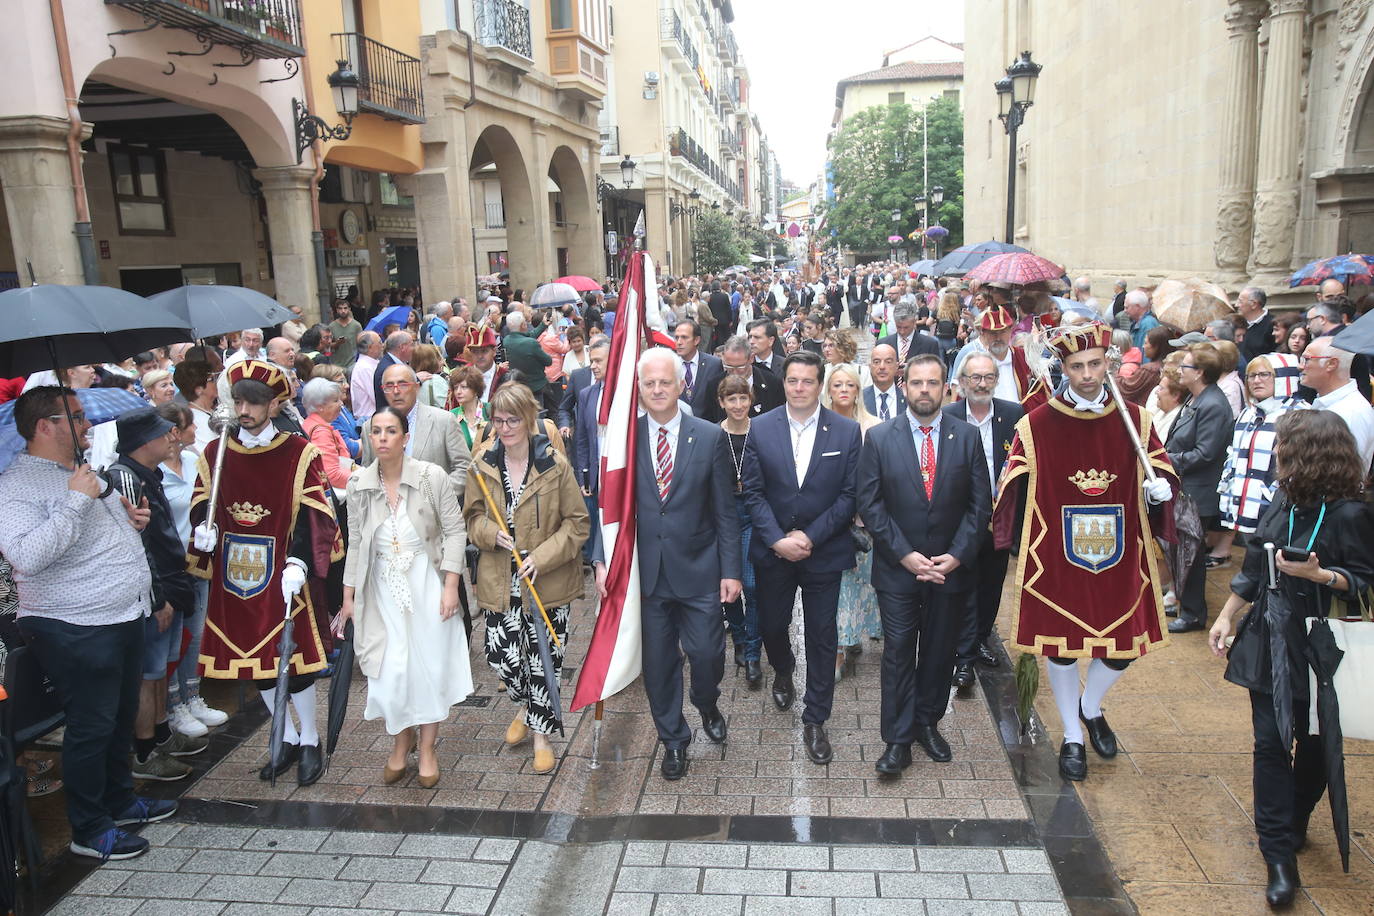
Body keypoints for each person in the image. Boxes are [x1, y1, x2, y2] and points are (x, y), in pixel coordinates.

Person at [993, 323, 1178, 781]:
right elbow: (1011, 475)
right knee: (1062, 647)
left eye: (1095, 364)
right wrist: (1006, 522)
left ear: (1108, 363)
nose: (1088, 374)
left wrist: (1160, 487)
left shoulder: (1136, 420)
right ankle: (1073, 735)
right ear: (1065, 368)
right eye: (1077, 366)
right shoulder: (1036, 424)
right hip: (1058, 553)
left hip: (1122, 552)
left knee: (1122, 647)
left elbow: (1162, 467)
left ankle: (1090, 705)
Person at [0, 387, 175, 861]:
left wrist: (127, 519)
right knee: (91, 725)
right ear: (44, 426)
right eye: (75, 418)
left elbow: (94, 532)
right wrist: (77, 501)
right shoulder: (17, 485)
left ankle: (119, 801)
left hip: (119, 613)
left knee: (118, 719)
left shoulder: (78, 473)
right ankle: (88, 827)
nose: (85, 426)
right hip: (73, 622)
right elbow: (27, 556)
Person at [1207, 410, 1374, 908]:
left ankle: (1296, 818)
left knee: (1318, 742)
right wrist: (1228, 614)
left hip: (1323, 640)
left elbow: (1363, 578)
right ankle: (1278, 855)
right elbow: (1257, 559)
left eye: (1284, 445)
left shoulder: (1351, 512)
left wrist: (1325, 577)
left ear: (1308, 452)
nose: (1276, 453)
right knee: (1271, 742)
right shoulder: (1282, 496)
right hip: (1271, 633)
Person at [187, 360, 342, 787]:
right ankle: (286, 738)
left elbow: (316, 514)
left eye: (253, 402)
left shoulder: (298, 451)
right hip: (235, 576)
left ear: (275, 405)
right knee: (255, 664)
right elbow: (205, 503)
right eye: (238, 401)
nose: (244, 410)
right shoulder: (216, 452)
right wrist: (204, 530)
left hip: (283, 573)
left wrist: (299, 562)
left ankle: (310, 738)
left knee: (296, 661)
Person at [594, 349, 739, 780]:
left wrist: (730, 571)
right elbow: (605, 506)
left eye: (665, 382)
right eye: (649, 383)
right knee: (658, 666)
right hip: (647, 575)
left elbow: (726, 513)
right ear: (639, 390)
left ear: (681, 386)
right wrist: (601, 559)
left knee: (707, 654)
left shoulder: (710, 437)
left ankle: (707, 701)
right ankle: (674, 740)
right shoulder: (623, 441)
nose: (657, 390)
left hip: (699, 570)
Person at [856, 353, 990, 771]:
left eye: (933, 383)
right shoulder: (880, 438)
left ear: (947, 387)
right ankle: (896, 739)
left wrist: (957, 555)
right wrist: (905, 554)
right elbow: (870, 503)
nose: (925, 390)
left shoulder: (966, 437)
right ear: (904, 387)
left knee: (938, 650)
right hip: (899, 570)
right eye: (917, 383)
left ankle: (928, 722)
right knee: (898, 651)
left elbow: (979, 504)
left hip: (949, 570)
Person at [338, 406, 473, 787]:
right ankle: (401, 740)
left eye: (390, 431)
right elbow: (356, 544)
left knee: (427, 667)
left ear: (405, 437)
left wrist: (450, 586)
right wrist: (349, 597)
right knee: (392, 670)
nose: (382, 438)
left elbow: (454, 531)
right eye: (375, 431)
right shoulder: (358, 486)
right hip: (381, 587)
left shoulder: (432, 477)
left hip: (427, 582)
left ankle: (427, 747)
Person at [742, 350, 862, 765]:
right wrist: (777, 540)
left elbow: (850, 496)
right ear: (784, 382)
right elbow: (753, 493)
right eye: (792, 380)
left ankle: (815, 717)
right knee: (773, 625)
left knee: (822, 635)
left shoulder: (846, 433)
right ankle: (782, 667)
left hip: (823, 551)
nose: (798, 388)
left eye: (807, 381)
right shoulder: (760, 428)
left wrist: (809, 535)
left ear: (820, 384)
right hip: (773, 552)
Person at [465, 384, 588, 775]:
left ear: (529, 417)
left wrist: (542, 556)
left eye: (513, 419)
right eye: (498, 420)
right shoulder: (481, 463)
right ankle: (524, 706)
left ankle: (541, 736)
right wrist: (488, 532)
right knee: (502, 658)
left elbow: (578, 523)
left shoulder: (554, 465)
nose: (505, 428)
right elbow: (471, 518)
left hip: (546, 581)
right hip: (500, 579)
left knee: (542, 660)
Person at [107, 408, 209, 783]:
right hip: (155, 592)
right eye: (161, 432)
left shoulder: (147, 474)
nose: (170, 436)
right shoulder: (124, 478)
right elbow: (138, 543)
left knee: (160, 670)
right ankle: (146, 751)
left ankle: (161, 732)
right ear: (142, 442)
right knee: (148, 674)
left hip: (169, 583)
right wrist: (158, 596)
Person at [944, 353, 1023, 686]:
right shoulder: (947, 417)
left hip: (998, 520)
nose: (981, 384)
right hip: (960, 521)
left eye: (988, 377)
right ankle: (962, 656)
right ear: (962, 382)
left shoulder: (1013, 414)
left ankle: (977, 640)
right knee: (963, 584)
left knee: (991, 586)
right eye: (974, 377)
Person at [1165, 343, 1236, 633]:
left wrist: (1165, 458)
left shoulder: (1213, 405)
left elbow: (1205, 453)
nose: (1180, 370)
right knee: (1182, 550)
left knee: (1191, 555)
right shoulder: (1196, 399)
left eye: (1187, 366)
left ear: (1201, 373)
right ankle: (1185, 603)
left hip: (1198, 491)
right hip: (1185, 488)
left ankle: (1194, 614)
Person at [824, 363, 881, 679]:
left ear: (858, 390)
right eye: (837, 385)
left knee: (861, 584)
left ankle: (851, 637)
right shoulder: (822, 425)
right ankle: (838, 648)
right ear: (829, 390)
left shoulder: (873, 427)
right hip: (830, 520)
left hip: (864, 521)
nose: (843, 390)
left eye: (850, 384)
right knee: (840, 585)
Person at [1218, 353, 1307, 542]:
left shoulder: (1300, 414)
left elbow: (1300, 466)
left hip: (1277, 510)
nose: (1256, 380)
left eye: (1265, 374)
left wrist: (1275, 497)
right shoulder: (1247, 413)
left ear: (1284, 378)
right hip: (1242, 503)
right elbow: (1233, 456)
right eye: (1251, 375)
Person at [360, 364, 472, 499]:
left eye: (403, 385)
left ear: (417, 388)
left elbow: (464, 468)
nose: (396, 391)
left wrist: (436, 498)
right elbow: (368, 474)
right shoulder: (370, 428)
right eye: (389, 386)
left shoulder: (443, 421)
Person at [716, 374, 762, 689]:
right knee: (728, 585)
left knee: (753, 584)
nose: (738, 405)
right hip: (724, 514)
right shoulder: (713, 435)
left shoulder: (761, 431)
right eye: (731, 399)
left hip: (754, 513)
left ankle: (754, 651)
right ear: (722, 402)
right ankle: (740, 638)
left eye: (743, 398)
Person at [1300, 335, 1374, 470]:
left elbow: (1345, 476)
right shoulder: (1332, 404)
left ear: (1332, 364)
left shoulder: (1352, 411)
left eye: (1307, 359)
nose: (1300, 366)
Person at [301, 377, 355, 492]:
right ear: (320, 406)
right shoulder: (321, 433)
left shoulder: (312, 422)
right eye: (335, 400)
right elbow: (332, 475)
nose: (341, 403)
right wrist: (364, 478)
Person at [719, 335, 784, 418]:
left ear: (751, 358)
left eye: (740, 367)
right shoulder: (715, 385)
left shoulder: (772, 383)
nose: (734, 372)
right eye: (729, 367)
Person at [675, 319, 725, 421]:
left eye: (684, 337)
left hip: (706, 426)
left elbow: (718, 400)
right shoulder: (670, 365)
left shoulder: (713, 365)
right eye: (676, 337)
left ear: (696, 340)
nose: (679, 342)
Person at [371, 331, 415, 417]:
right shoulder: (387, 368)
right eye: (412, 345)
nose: (414, 348)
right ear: (402, 347)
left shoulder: (394, 363)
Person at [448, 365, 489, 450]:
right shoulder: (451, 416)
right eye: (455, 388)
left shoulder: (490, 410)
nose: (458, 392)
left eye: (464, 387)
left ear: (475, 389)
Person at [862, 344, 901, 421]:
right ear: (870, 367)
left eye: (888, 362)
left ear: (896, 366)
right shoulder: (859, 398)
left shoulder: (907, 399)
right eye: (877, 362)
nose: (882, 367)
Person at [328, 300, 363, 369]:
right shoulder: (331, 326)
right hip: (337, 364)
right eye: (340, 308)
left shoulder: (356, 325)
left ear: (349, 309)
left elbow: (361, 343)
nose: (343, 311)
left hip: (352, 363)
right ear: (337, 310)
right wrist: (337, 343)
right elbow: (328, 345)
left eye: (345, 308)